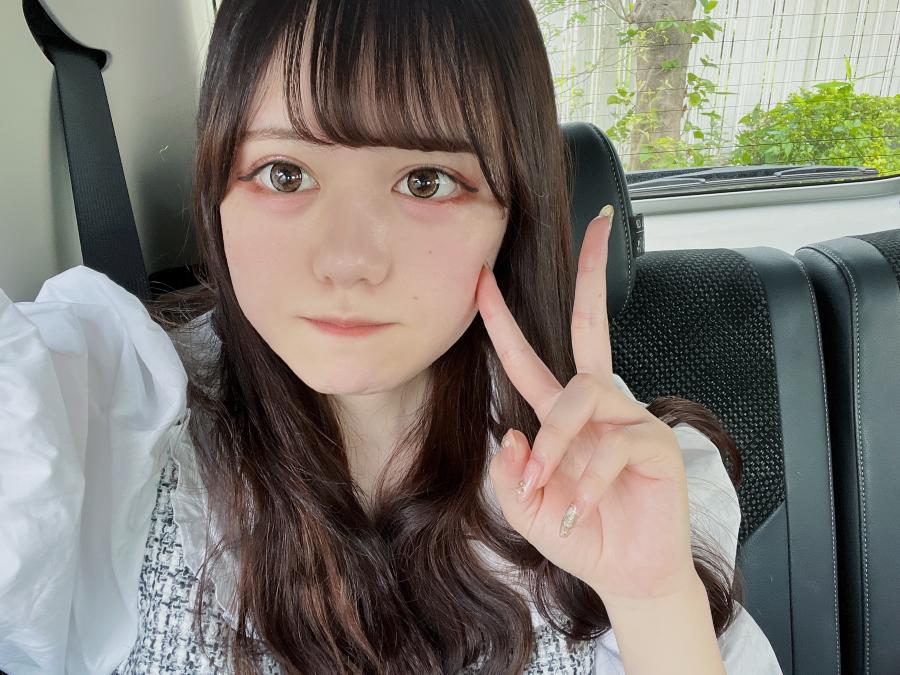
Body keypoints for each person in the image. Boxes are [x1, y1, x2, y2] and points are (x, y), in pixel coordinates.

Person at [0, 0, 783, 673]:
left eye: (425, 181)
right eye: (284, 173)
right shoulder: (100, 425)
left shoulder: (621, 482)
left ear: (512, 212)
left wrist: (654, 601)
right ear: (215, 187)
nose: (347, 260)